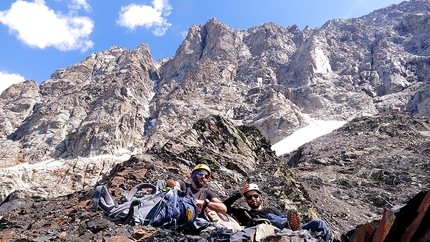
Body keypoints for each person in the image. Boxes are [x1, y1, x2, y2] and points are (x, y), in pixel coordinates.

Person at [224, 183, 332, 241]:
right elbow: (224, 206)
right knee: (270, 217)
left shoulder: (272, 209)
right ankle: (288, 225)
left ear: (261, 197)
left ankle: (291, 226)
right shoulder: (244, 213)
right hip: (270, 233)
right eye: (249, 197)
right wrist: (239, 194)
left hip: (287, 229)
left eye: (255, 196)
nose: (253, 199)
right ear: (246, 200)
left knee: (319, 223)